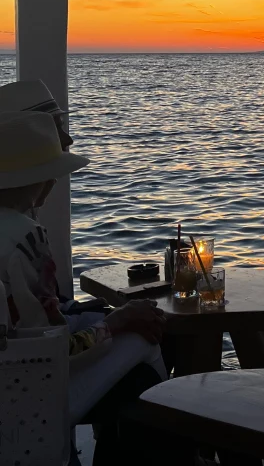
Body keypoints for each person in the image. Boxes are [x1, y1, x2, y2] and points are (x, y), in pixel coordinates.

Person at [0, 110, 173, 465]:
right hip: (27, 404)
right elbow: (55, 350)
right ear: (39, 178)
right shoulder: (25, 240)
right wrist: (117, 321)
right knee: (145, 340)